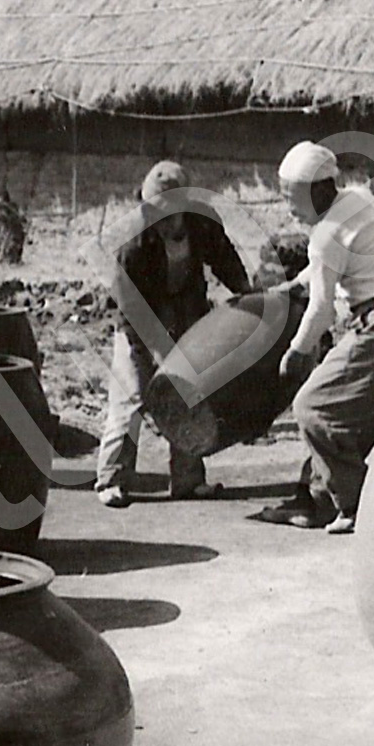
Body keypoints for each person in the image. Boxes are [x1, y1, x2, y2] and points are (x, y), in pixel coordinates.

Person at [258, 140, 374, 534]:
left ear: (322, 189)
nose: (289, 207)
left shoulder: (325, 234)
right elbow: (328, 266)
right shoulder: (355, 199)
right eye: (285, 196)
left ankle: (357, 504)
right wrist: (293, 286)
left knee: (313, 407)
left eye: (295, 197)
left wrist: (297, 351)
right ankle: (318, 500)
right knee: (354, 413)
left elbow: (322, 308)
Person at [95, 160, 251, 508]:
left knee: (187, 394)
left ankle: (188, 480)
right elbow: (130, 306)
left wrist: (246, 290)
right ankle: (112, 479)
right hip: (140, 320)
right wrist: (156, 350)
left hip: (186, 313)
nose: (161, 220)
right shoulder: (134, 241)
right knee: (132, 396)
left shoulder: (202, 223)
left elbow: (224, 259)